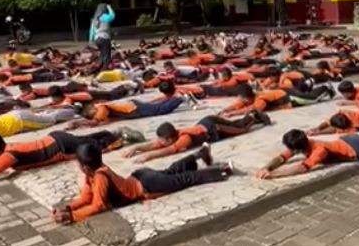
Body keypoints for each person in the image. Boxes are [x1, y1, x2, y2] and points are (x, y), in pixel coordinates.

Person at [52, 143, 233, 224]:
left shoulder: (99, 177)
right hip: (141, 177)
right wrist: (68, 208)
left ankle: (224, 170)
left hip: (147, 185)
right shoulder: (93, 173)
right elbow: (86, 197)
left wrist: (73, 217)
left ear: (84, 166)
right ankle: (198, 155)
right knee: (171, 173)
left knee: (184, 179)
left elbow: (98, 205)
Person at [0, 128, 145, 196]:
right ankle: (112, 133)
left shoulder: (9, 156)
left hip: (60, 144)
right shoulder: (6, 151)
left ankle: (123, 136)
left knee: (91, 146)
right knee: (88, 141)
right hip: (55, 140)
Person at [255, 120, 359, 179]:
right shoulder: (301, 143)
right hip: (348, 141)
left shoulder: (319, 150)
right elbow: (281, 158)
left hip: (357, 149)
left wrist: (273, 175)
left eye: (292, 150)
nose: (289, 152)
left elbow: (301, 168)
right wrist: (266, 167)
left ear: (298, 148)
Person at [124, 112, 272, 163]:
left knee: (241, 129)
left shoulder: (185, 138)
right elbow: (155, 144)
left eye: (163, 140)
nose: (160, 143)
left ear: (170, 138)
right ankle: (253, 117)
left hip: (215, 128)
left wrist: (149, 156)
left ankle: (254, 115)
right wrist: (137, 147)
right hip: (207, 123)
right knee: (236, 124)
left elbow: (170, 150)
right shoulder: (174, 135)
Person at [68, 96, 184, 129]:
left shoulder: (100, 108)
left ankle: (181, 99)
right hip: (131, 107)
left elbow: (97, 120)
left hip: (132, 109)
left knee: (159, 110)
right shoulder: (96, 107)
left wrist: (79, 124)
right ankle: (176, 98)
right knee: (156, 107)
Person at [89, 3, 116, 70]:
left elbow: (91, 31)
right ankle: (104, 70)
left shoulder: (95, 19)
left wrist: (90, 41)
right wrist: (109, 7)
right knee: (107, 56)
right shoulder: (105, 17)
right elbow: (112, 16)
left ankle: (99, 68)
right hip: (104, 38)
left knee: (102, 55)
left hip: (97, 39)